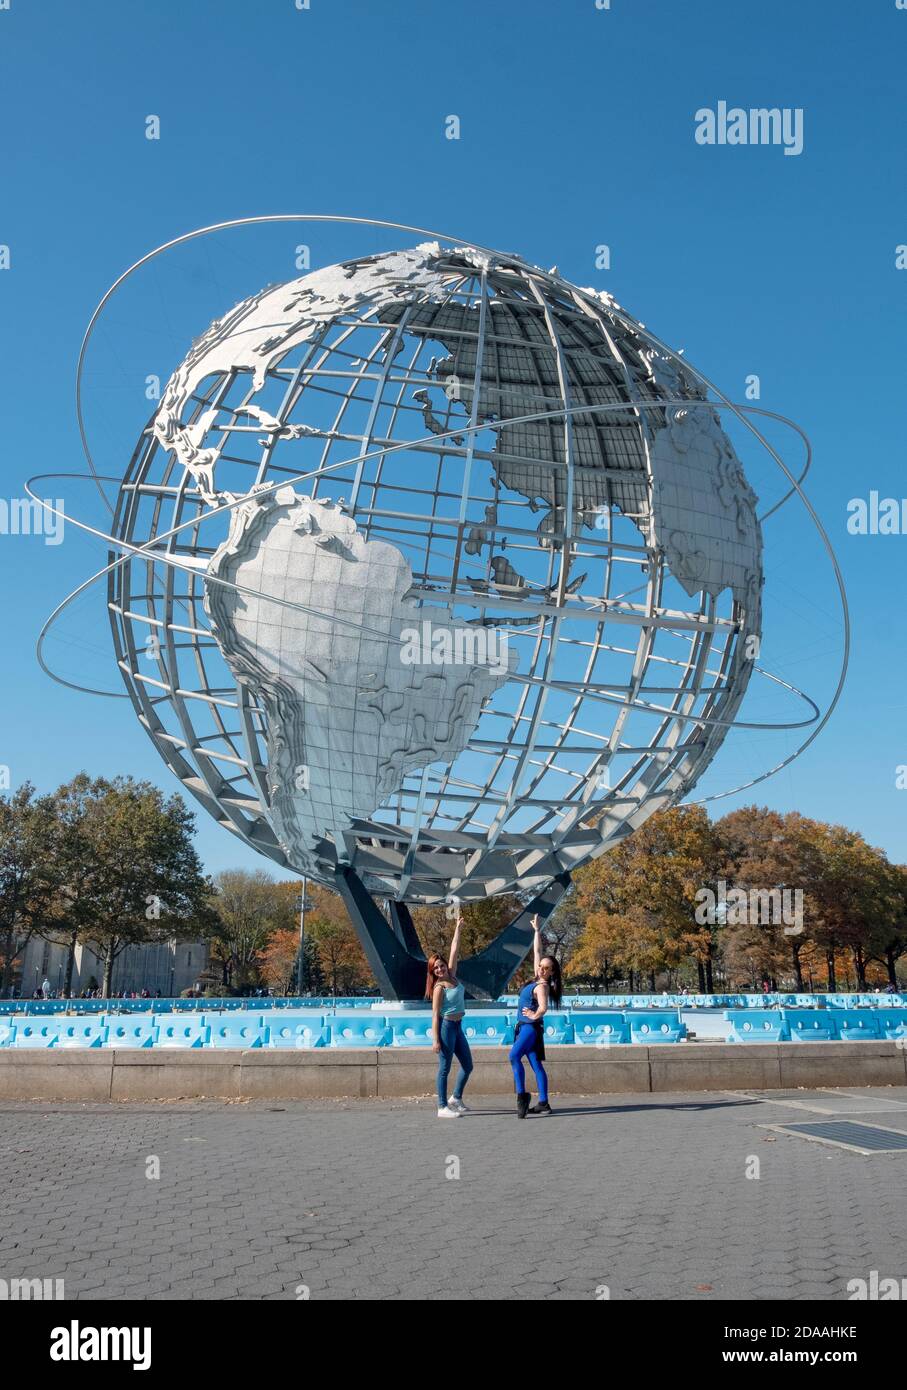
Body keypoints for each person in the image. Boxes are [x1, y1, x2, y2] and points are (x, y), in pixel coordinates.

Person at [508, 916, 563, 1117]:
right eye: (541, 965)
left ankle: (522, 1097)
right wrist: (537, 931)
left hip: (529, 1029)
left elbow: (543, 1008)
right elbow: (537, 951)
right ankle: (544, 1103)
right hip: (527, 1028)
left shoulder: (542, 986)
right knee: (535, 1064)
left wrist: (533, 1015)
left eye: (547, 968)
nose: (541, 968)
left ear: (552, 972)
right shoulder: (537, 977)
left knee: (513, 1056)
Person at [428, 910, 473, 1118]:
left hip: (458, 1026)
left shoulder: (453, 976)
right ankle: (441, 1107)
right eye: (435, 968)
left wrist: (457, 928)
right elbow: (435, 1014)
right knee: (444, 1068)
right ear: (433, 971)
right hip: (446, 1027)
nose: (439, 969)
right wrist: (436, 1039)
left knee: (468, 1065)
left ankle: (456, 1097)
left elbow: (454, 950)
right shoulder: (439, 988)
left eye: (441, 965)